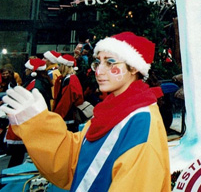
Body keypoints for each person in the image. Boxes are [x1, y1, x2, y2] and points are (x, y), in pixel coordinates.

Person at [0, 31, 171, 191]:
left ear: (134, 68)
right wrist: (37, 124)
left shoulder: (141, 121)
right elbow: (75, 160)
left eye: (110, 62)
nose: (99, 71)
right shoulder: (112, 109)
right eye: (98, 62)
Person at [53, 54, 84, 132]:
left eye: (59, 65)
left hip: (68, 118)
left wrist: (57, 117)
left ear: (64, 66)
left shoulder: (69, 81)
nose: (57, 67)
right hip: (69, 117)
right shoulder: (70, 78)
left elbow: (65, 102)